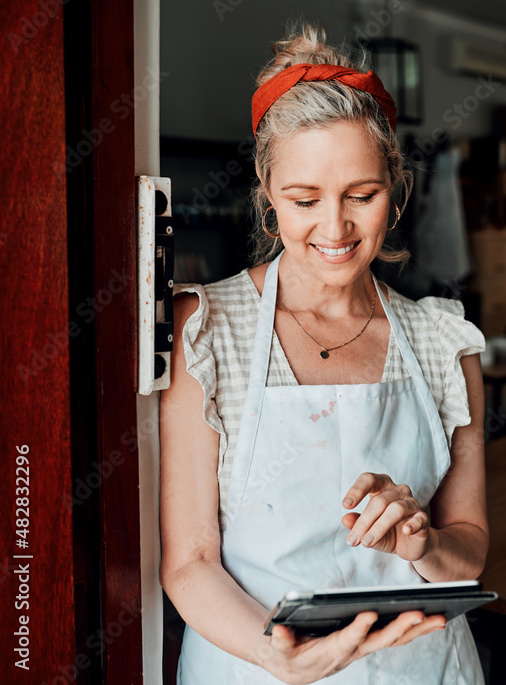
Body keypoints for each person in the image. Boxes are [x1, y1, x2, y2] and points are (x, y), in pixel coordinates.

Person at [159, 20, 489, 684]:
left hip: (421, 670)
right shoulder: (206, 327)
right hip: (253, 669)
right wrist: (270, 649)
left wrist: (423, 541)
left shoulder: (442, 341)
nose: (334, 228)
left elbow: (469, 549)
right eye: (305, 199)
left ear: (394, 188)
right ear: (267, 193)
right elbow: (189, 561)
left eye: (361, 196)